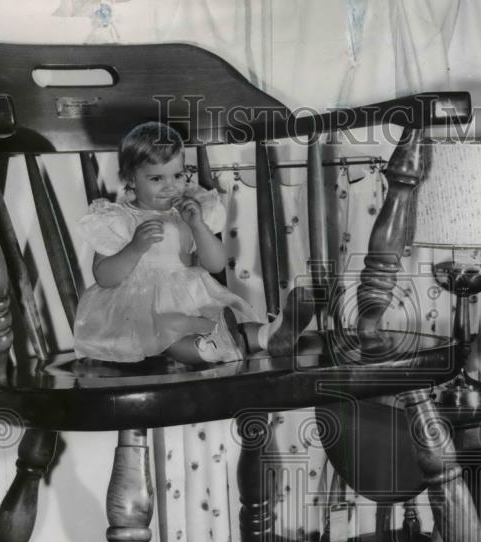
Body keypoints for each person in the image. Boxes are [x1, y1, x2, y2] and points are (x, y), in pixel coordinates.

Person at [74, 121, 315, 365]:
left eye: (178, 175)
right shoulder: (118, 218)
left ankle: (270, 335)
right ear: (131, 179)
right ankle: (210, 349)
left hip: (193, 298)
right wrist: (134, 248)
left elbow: (216, 264)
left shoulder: (189, 210)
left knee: (230, 321)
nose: (171, 186)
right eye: (157, 178)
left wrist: (199, 227)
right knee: (168, 331)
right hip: (143, 312)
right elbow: (104, 277)